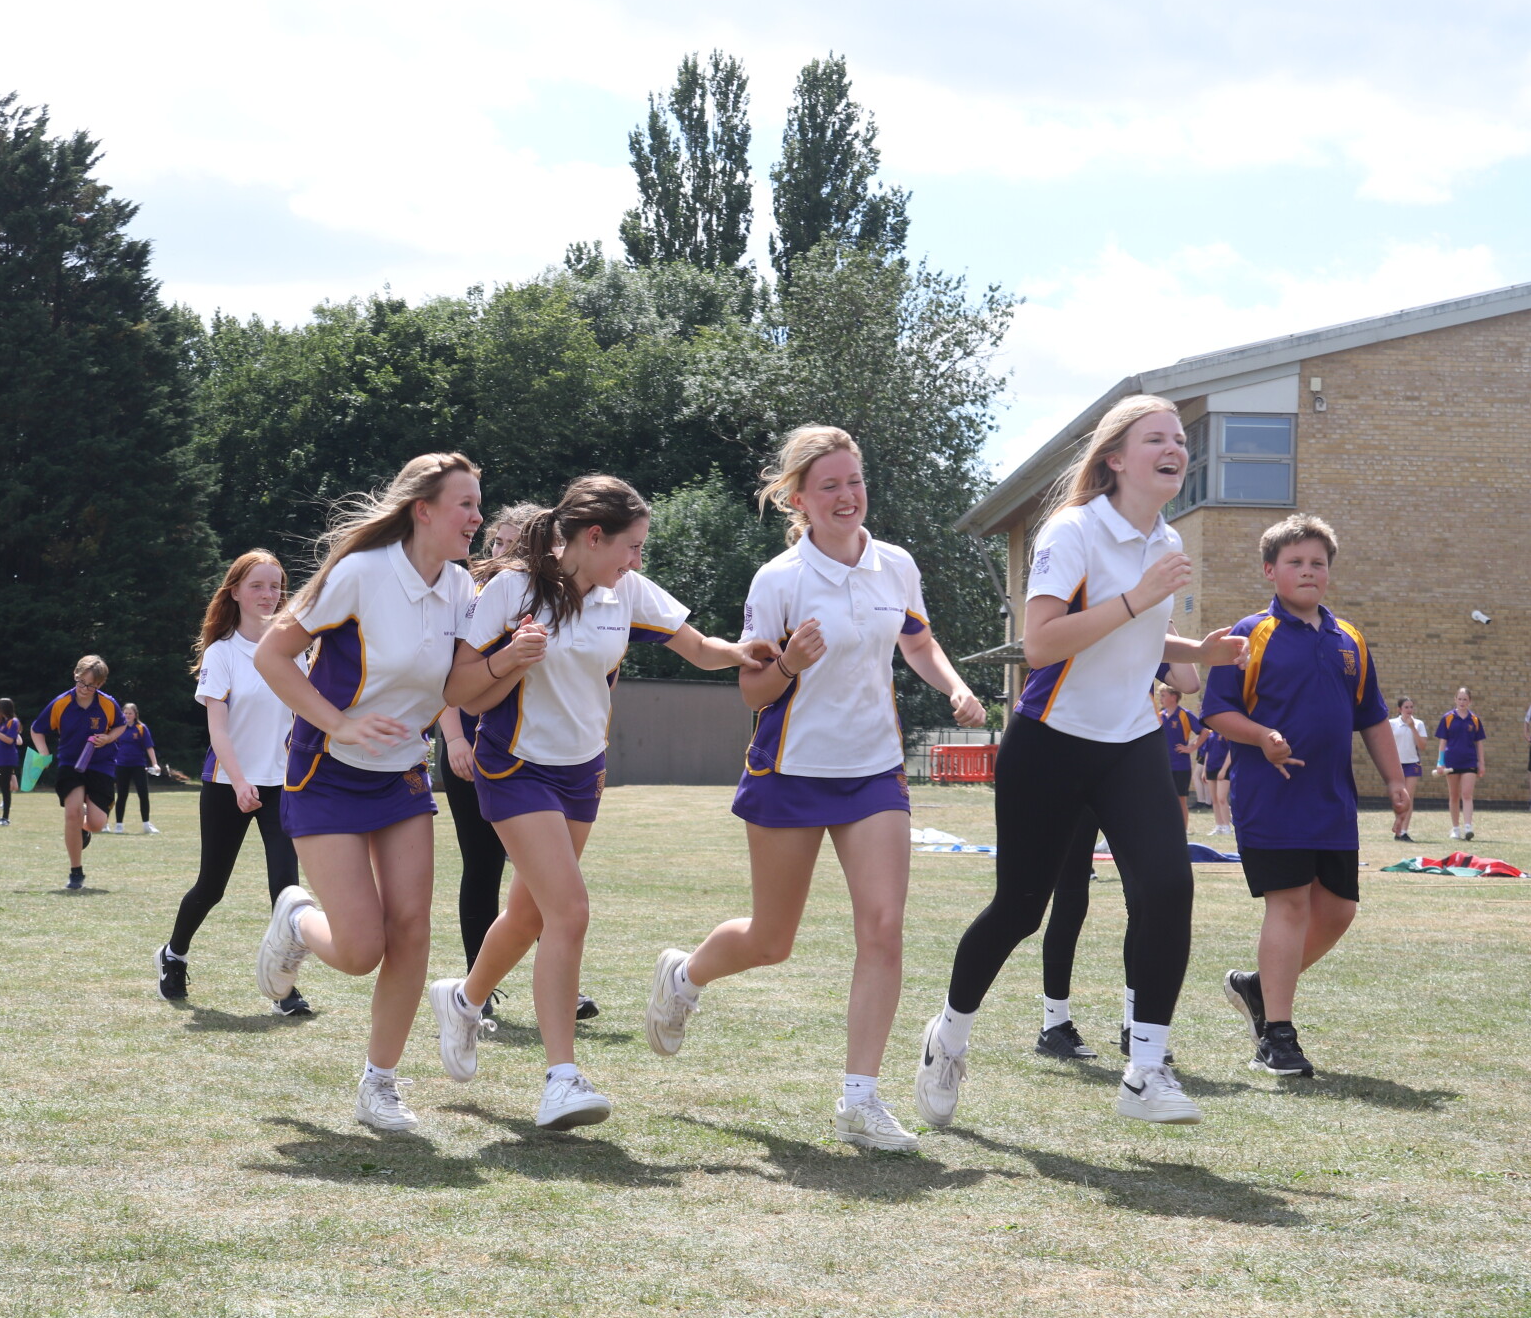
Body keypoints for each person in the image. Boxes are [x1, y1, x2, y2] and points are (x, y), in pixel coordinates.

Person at [628, 432, 982, 1148]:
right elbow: (753, 690)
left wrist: (954, 684)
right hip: (790, 772)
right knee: (771, 940)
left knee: (882, 928)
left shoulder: (896, 565)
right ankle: (685, 976)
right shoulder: (779, 579)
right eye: (830, 486)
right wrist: (788, 662)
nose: (848, 496)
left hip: (874, 771)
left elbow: (917, 640)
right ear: (798, 499)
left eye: (855, 481)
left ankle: (860, 1100)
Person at [914, 394, 1245, 1129]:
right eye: (1156, 438)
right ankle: (948, 1035)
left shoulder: (1165, 538)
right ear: (1115, 459)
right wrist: (1139, 597)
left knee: (1169, 887)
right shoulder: (1073, 530)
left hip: (1129, 741)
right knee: (1020, 909)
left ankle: (1145, 1070)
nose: (1175, 447)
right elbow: (1041, 643)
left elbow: (1138, 638)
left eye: (1179, 438)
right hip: (1050, 742)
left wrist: (1198, 651)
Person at [429, 474, 771, 1130]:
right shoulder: (511, 590)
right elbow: (458, 689)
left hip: (582, 773)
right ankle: (561, 1077)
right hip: (515, 767)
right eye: (631, 546)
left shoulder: (627, 591)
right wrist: (509, 659)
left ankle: (463, 1001)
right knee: (570, 911)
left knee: (529, 914)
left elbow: (696, 647)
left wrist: (740, 652)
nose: (637, 560)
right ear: (593, 537)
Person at [251, 452, 482, 1133]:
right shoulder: (358, 573)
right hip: (326, 769)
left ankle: (379, 1084)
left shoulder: (461, 587)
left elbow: (458, 685)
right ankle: (297, 921)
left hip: (402, 773)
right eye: (466, 504)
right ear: (424, 511)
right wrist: (339, 722)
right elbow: (271, 655)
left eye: (478, 503)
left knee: (411, 929)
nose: (477, 517)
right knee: (358, 951)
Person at [1201, 514, 1406, 1078]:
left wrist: (1394, 779)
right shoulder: (1249, 635)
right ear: (1271, 570)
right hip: (1272, 796)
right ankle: (1278, 1036)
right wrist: (1261, 736)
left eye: (1318, 562)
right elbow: (1216, 710)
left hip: (1333, 800)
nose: (1308, 571)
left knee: (1338, 910)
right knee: (1289, 903)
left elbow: (1373, 717)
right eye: (1295, 562)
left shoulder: (1350, 640)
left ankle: (1256, 988)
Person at [438, 501, 603, 1021]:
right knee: (484, 865)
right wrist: (454, 740)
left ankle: (552, 980)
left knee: (541, 882)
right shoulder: (475, 594)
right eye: (499, 541)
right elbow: (446, 678)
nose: (505, 551)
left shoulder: (556, 596)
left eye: (517, 542)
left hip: (532, 751)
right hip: (471, 743)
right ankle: (476, 990)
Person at [156, 550, 311, 1015]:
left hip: (282, 786)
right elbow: (218, 729)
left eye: (275, 586)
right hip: (229, 784)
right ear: (236, 592)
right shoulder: (221, 653)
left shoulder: (295, 649)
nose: (268, 594)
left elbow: (308, 715)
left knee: (286, 890)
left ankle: (284, 988)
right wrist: (241, 782)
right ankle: (173, 955)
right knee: (212, 886)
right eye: (257, 585)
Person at [1035, 653, 1202, 1064]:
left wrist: (1164, 622)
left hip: (1128, 771)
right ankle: (1054, 1023)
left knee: (1144, 901)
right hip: (1072, 763)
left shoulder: (1146, 627)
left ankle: (1136, 1026)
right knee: (1069, 900)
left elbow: (1189, 681)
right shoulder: (1085, 617)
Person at [30, 657, 123, 889]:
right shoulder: (61, 703)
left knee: (97, 824)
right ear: (75, 675)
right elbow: (37, 729)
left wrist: (108, 738)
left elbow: (120, 725)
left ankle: (84, 827)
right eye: (81, 682)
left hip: (101, 764)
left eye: (91, 685)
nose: (84, 689)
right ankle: (76, 871)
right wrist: (43, 752)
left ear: (100, 684)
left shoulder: (108, 704)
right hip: (70, 764)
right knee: (72, 813)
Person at [1433, 688, 1485, 841]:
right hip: (1452, 761)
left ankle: (1468, 827)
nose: (1462, 702)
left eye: (1465, 699)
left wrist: (1481, 762)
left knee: (1467, 794)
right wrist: (1440, 762)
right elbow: (1442, 742)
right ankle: (1455, 829)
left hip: (1469, 760)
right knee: (1454, 795)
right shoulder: (1447, 718)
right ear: (1455, 699)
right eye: (1460, 699)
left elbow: (1479, 743)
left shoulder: (1475, 719)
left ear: (1470, 701)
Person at [1157, 683, 1208, 830]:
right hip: (1163, 765)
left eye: (1163, 695)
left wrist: (1191, 748)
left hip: (1180, 765)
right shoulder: (1159, 716)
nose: (1160, 699)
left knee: (1180, 800)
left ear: (1174, 697)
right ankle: (1166, 830)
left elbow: (1204, 732)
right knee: (1163, 800)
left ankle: (1182, 832)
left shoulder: (1184, 714)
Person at [111, 702, 161, 834]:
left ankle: (146, 824)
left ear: (135, 715)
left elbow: (149, 747)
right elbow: (111, 745)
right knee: (121, 795)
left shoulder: (141, 728)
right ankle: (119, 825)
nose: (127, 715)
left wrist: (155, 763)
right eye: (125, 713)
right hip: (121, 765)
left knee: (143, 794)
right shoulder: (118, 728)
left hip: (138, 765)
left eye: (130, 713)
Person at [1388, 697, 1428, 841]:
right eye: (1406, 707)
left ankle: (1404, 831)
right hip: (1396, 764)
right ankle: (1398, 830)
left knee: (1408, 797)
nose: (1409, 710)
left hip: (1412, 763)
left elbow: (1422, 746)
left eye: (1411, 707)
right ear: (1399, 709)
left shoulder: (1418, 724)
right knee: (1398, 798)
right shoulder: (1392, 724)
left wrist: (1412, 728)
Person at [1198, 716, 1233, 836]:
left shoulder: (1227, 732)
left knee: (1222, 798)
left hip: (1223, 769)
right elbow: (1207, 753)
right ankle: (1219, 826)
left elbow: (1231, 752)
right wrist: (1204, 771)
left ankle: (1227, 827)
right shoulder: (1211, 733)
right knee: (1214, 800)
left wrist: (1224, 770)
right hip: (1211, 768)